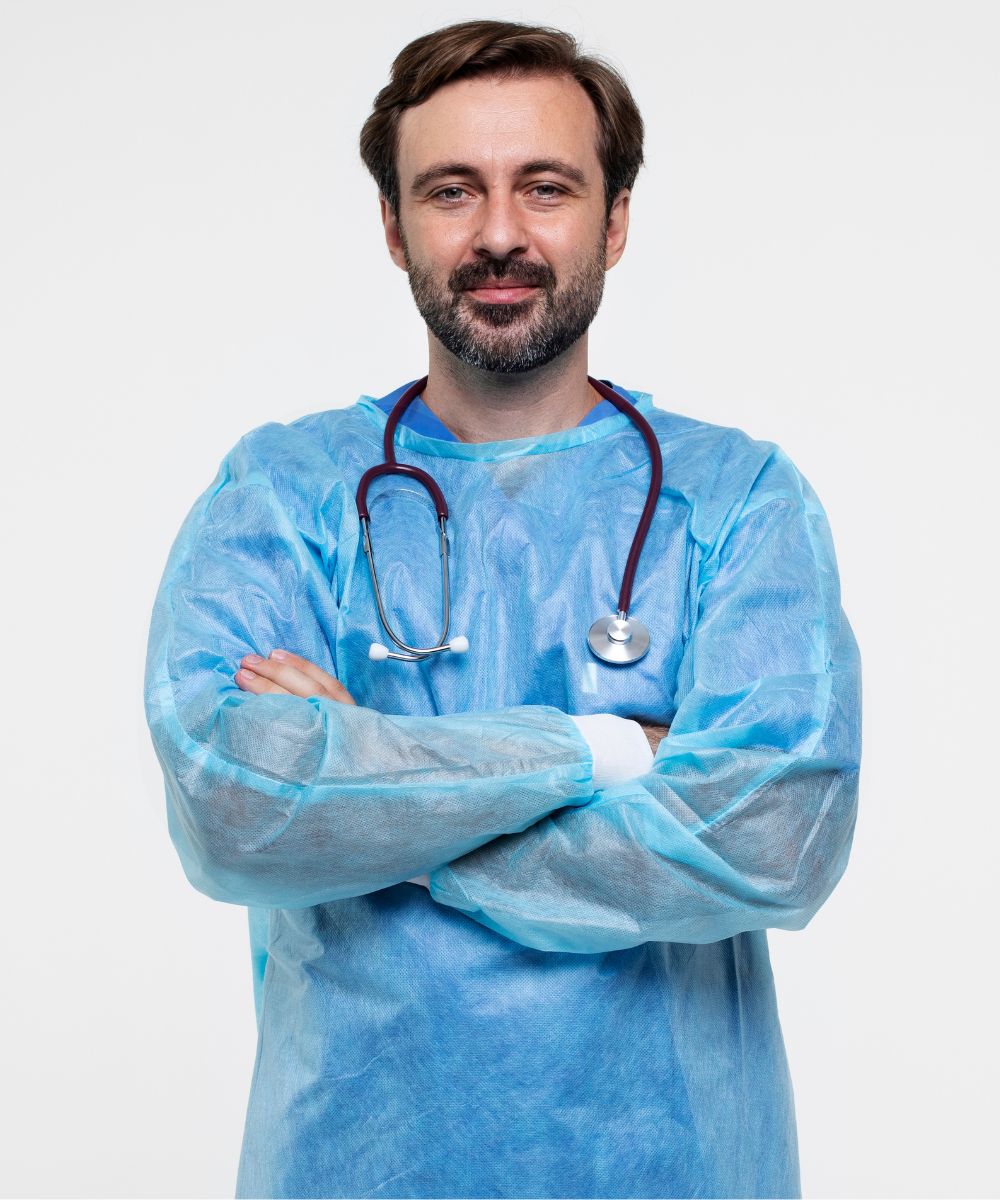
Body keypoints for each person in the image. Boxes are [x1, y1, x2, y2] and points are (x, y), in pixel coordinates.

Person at [144, 19, 862, 1200]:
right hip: (352, 1161)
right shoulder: (284, 493)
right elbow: (235, 806)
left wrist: (373, 802)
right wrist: (613, 751)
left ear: (614, 220)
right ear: (392, 226)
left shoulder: (738, 501)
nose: (497, 235)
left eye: (545, 188)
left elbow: (771, 834)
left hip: (673, 1167)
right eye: (449, 191)